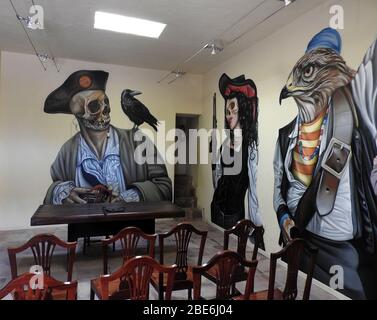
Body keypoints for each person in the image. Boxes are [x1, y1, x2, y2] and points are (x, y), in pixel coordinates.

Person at [274, 28, 377, 299]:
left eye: (307, 72)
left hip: (341, 253)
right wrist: (284, 219)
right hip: (296, 243)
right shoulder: (286, 135)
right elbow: (278, 187)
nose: (290, 85)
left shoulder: (356, 120)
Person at [43, 70, 171, 205]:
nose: (105, 110)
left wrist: (130, 197)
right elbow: (54, 187)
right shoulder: (67, 151)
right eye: (94, 106)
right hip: (85, 226)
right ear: (79, 115)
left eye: (106, 102)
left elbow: (165, 187)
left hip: (132, 226)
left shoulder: (139, 142)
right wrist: (64, 193)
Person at [211, 73, 263, 234]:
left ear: (243, 110)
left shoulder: (250, 147)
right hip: (217, 208)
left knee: (233, 255)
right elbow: (218, 176)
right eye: (227, 111)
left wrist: (256, 224)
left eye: (233, 109)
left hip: (236, 214)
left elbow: (253, 188)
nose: (229, 115)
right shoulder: (225, 144)